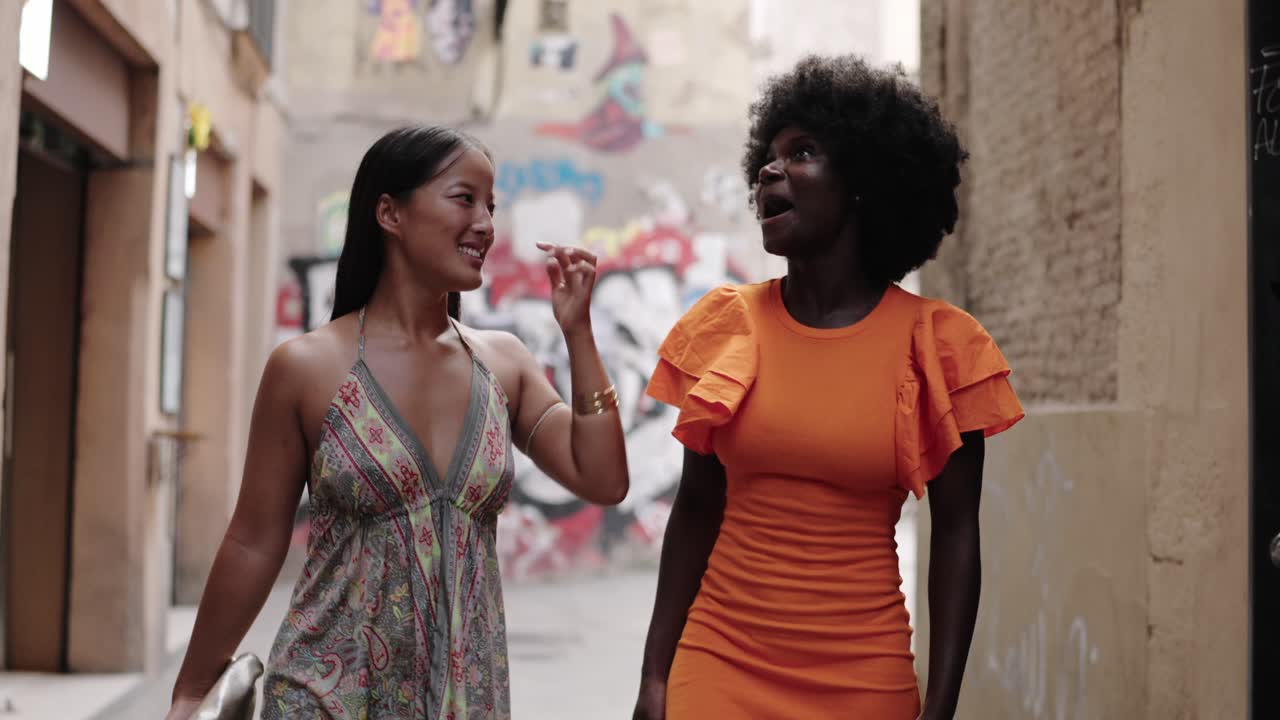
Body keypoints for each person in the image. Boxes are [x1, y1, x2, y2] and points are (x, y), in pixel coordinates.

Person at [165, 125, 629, 720]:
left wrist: (579, 333)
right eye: (465, 199)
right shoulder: (306, 367)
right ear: (390, 213)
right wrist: (190, 692)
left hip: (467, 704)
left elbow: (603, 477)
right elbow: (253, 541)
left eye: (491, 206)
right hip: (324, 700)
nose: (486, 223)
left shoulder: (504, 365)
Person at [632, 55, 1024, 720]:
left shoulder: (938, 347)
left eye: (803, 152)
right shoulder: (727, 326)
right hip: (719, 661)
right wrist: (653, 676)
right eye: (769, 157)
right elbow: (696, 506)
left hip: (862, 675)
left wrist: (941, 708)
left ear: (864, 184)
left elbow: (958, 533)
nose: (770, 170)